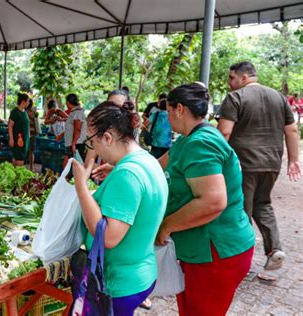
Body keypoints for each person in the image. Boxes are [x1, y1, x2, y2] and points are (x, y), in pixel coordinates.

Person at [155, 83, 255, 315]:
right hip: (199, 250)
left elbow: (212, 201)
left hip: (216, 251)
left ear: (179, 109)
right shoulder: (188, 139)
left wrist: (166, 227)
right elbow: (157, 167)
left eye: (168, 111)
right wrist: (122, 167)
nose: (168, 117)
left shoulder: (201, 143)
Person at [72, 101, 168, 316]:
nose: (92, 149)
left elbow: (108, 238)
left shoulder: (127, 175)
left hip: (120, 282)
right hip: (140, 271)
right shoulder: (146, 160)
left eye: (91, 141)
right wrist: (116, 173)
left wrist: (81, 188)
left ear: (107, 138)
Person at [217, 61, 301, 270]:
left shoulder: (235, 97)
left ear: (244, 78)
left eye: (232, 78)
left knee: (240, 208)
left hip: (243, 163)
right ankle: (274, 249)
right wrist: (293, 159)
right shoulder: (279, 98)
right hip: (271, 162)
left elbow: (224, 132)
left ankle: (238, 259)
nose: (229, 83)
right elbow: (291, 131)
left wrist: (214, 160)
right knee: (262, 203)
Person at [56, 93, 87, 161]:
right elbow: (71, 128)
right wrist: (61, 135)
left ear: (67, 102)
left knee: (75, 165)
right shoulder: (74, 112)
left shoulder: (77, 113)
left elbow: (77, 129)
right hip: (72, 143)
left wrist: (73, 144)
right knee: (68, 163)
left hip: (77, 143)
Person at [8, 93, 30, 166]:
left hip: (25, 140)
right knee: (19, 157)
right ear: (23, 101)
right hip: (18, 139)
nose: (28, 103)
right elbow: (10, 126)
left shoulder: (25, 112)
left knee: (19, 157)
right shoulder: (15, 112)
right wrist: (11, 139)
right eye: (28, 101)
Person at [26, 98, 40, 170]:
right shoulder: (28, 110)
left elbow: (36, 118)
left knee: (30, 151)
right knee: (30, 151)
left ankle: (31, 167)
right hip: (29, 133)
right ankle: (30, 167)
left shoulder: (32, 110)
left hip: (30, 133)